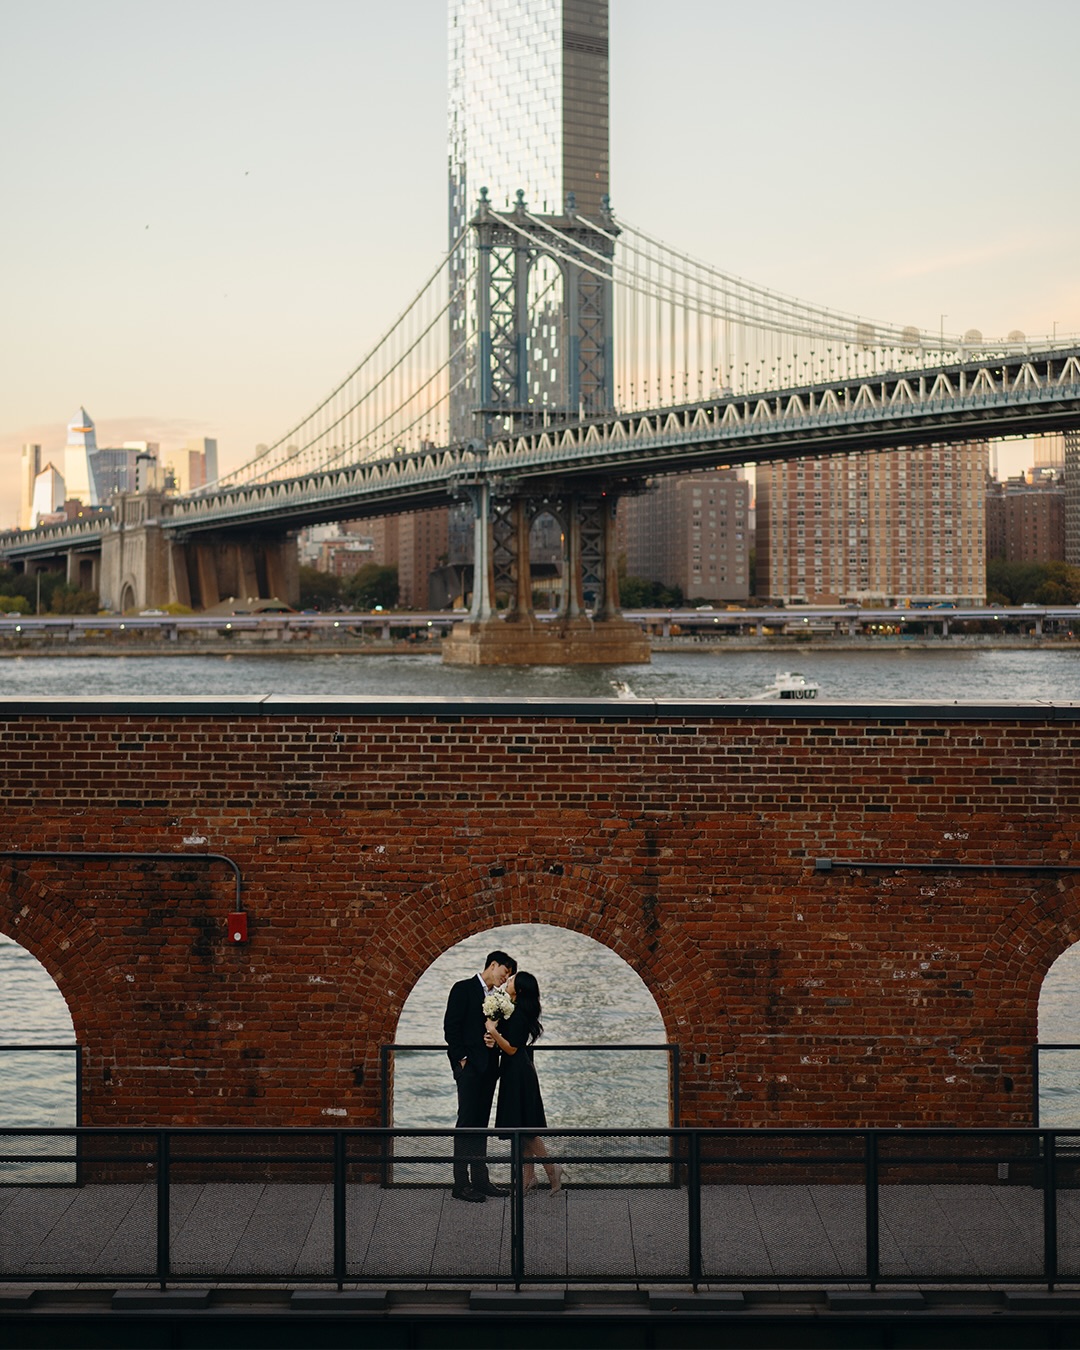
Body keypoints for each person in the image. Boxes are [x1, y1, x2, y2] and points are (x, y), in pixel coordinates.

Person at [443, 949, 516, 1202]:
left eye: (508, 977)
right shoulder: (462, 988)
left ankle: (481, 1180)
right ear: (493, 965)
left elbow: (497, 1030)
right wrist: (462, 1060)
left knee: (481, 1125)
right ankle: (460, 1184)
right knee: (466, 1125)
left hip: (489, 1068)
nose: (504, 979)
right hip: (469, 1069)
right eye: (504, 973)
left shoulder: (499, 996)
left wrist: (492, 1041)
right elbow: (450, 1027)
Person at [485, 970, 564, 1193]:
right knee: (520, 1128)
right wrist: (494, 1035)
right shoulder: (515, 1010)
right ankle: (528, 1179)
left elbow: (511, 1048)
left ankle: (551, 1169)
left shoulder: (519, 1013)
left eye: (511, 980)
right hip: (515, 1071)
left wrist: (493, 1031)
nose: (507, 982)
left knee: (526, 1130)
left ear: (518, 990)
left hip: (518, 1072)